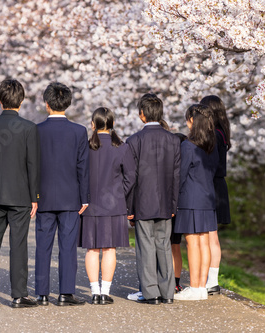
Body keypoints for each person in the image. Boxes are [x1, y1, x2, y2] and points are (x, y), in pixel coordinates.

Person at [0, 79, 40, 308]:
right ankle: (18, 294)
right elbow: (33, 165)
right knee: (18, 244)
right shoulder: (29, 128)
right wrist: (35, 196)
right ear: (21, 101)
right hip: (21, 196)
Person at [35, 82, 89, 307]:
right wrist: (84, 197)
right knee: (67, 246)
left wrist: (32, 195)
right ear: (67, 103)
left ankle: (42, 294)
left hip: (43, 196)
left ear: (46, 104)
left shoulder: (36, 131)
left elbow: (32, 166)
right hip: (70, 197)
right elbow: (83, 167)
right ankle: (66, 293)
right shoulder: (79, 131)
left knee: (43, 245)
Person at [127, 93, 180, 305]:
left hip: (142, 202)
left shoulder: (134, 141)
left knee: (145, 247)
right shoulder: (173, 140)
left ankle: (150, 293)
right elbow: (177, 175)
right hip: (166, 203)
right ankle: (168, 292)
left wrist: (129, 207)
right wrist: (174, 204)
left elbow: (131, 178)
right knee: (164, 245)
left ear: (142, 115)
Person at [81, 107, 136, 305]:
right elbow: (131, 178)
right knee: (110, 249)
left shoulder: (86, 147)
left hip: (91, 205)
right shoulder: (122, 148)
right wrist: (120, 195)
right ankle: (105, 292)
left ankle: (94, 292)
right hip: (114, 206)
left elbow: (79, 175)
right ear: (112, 124)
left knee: (92, 249)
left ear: (93, 125)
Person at [174, 104, 218, 301]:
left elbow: (180, 175)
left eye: (188, 119)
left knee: (193, 243)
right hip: (208, 198)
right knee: (204, 243)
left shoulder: (188, 146)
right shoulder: (212, 145)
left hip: (190, 198)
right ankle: (201, 287)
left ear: (193, 121)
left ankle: (194, 286)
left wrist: (173, 198)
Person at [200, 95, 231, 295]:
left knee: (210, 236)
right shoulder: (222, 133)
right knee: (213, 236)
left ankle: (211, 281)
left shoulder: (215, 135)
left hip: (212, 187)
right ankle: (212, 279)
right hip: (218, 186)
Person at [172, 133, 188, 293]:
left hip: (170, 208)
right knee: (175, 246)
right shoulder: (186, 163)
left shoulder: (172, 163)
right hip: (180, 207)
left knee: (168, 245)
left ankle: (168, 280)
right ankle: (176, 283)